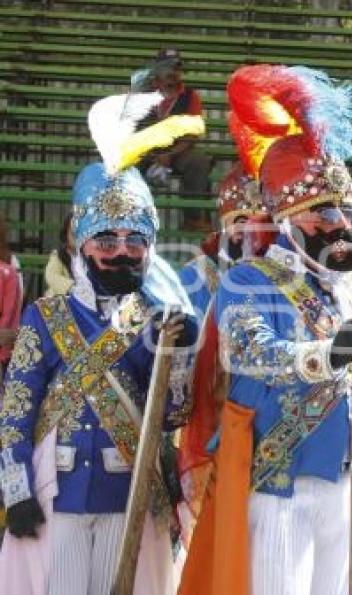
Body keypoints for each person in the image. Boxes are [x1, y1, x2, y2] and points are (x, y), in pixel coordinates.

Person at [178, 64, 352, 595]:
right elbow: (250, 352)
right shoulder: (246, 281)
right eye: (322, 215)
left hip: (347, 482)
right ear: (285, 221)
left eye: (344, 213)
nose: (340, 227)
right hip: (278, 479)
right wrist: (326, 354)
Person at [0, 160, 197, 595]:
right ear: (82, 243)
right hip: (60, 495)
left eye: (135, 240)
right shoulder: (46, 316)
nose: (121, 250)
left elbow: (172, 416)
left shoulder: (155, 322)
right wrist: (16, 491)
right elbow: (14, 410)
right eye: (107, 239)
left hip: (125, 495)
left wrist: (179, 355)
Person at [178, 164, 263, 320]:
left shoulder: (286, 273)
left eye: (261, 223)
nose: (250, 230)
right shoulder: (196, 275)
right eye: (242, 221)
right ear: (225, 223)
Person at [143, 48, 212, 231]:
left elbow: (192, 134)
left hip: (179, 150)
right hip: (144, 149)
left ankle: (193, 218)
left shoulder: (190, 96)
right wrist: (151, 153)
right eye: (167, 67)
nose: (173, 72)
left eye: (176, 67)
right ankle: (129, 216)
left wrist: (171, 154)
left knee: (199, 162)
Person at [43, 212, 76, 298]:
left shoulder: (93, 258)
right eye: (74, 234)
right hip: (59, 300)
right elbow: (51, 276)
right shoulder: (58, 255)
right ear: (66, 234)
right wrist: (71, 287)